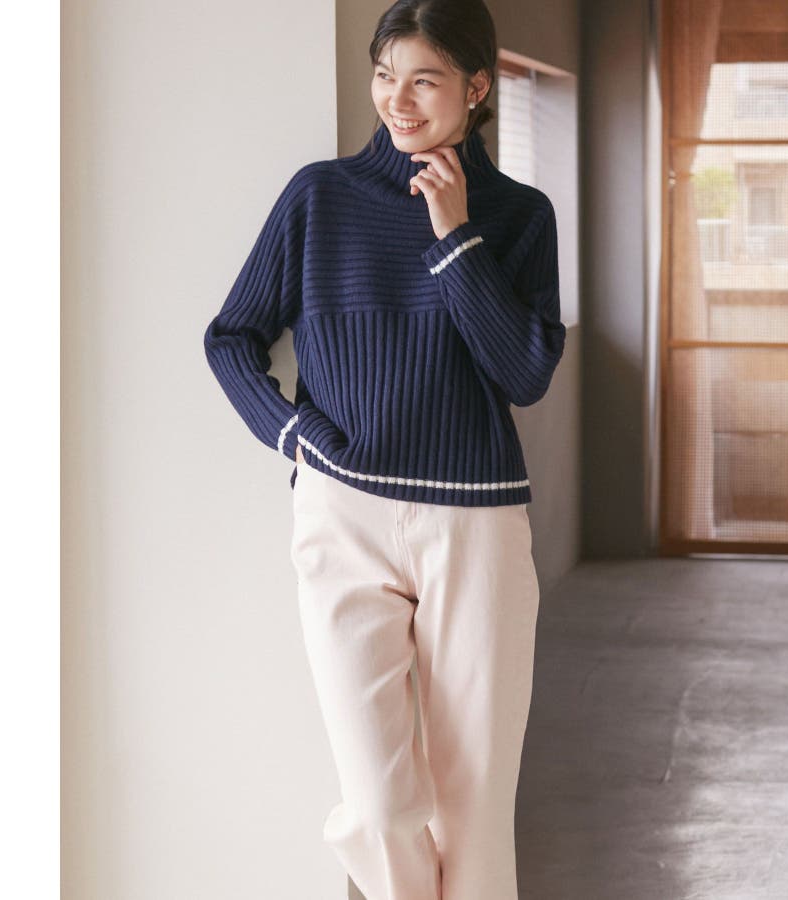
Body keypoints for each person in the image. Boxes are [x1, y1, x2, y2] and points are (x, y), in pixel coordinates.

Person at [203, 1, 566, 897]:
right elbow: (231, 337)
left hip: (474, 525)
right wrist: (296, 434)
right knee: (375, 805)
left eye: (424, 80)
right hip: (344, 518)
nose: (397, 101)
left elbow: (524, 372)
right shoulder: (318, 198)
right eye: (384, 76)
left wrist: (455, 237)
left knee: (473, 805)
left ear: (476, 89)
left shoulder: (520, 215)